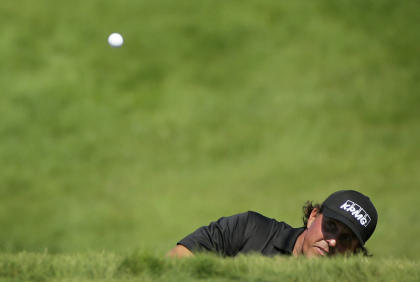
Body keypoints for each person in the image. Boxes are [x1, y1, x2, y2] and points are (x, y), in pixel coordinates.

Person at [167, 190, 378, 258]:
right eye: (330, 226)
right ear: (313, 216)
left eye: (346, 238)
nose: (332, 241)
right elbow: (177, 260)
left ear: (355, 251)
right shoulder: (250, 228)